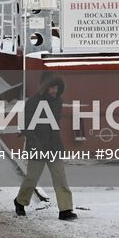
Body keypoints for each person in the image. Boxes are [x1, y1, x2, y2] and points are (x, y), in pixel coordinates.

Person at [13, 73, 76, 221]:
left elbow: (55, 125)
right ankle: (20, 201)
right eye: (51, 87)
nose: (54, 90)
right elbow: (26, 125)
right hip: (37, 145)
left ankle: (65, 209)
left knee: (60, 178)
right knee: (32, 178)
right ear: (44, 87)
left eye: (56, 87)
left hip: (53, 146)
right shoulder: (32, 102)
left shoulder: (57, 102)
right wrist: (35, 141)